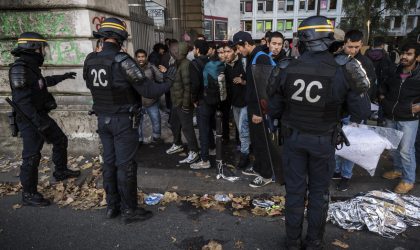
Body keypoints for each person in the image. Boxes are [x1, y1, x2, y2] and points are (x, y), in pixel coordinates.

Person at [269, 16, 370, 249]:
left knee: (294, 192)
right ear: (327, 38)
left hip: (293, 139)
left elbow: (273, 109)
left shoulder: (285, 67)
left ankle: (292, 242)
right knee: (319, 194)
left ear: (303, 39)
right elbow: (361, 111)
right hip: (323, 141)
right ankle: (314, 242)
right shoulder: (345, 67)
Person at [83, 17, 173, 224]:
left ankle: (112, 206)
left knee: (109, 164)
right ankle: (129, 210)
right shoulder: (122, 60)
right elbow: (148, 90)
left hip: (103, 120)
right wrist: (169, 81)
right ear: (120, 37)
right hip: (123, 121)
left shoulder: (90, 60)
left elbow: (91, 85)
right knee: (126, 166)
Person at [9, 32, 80, 207]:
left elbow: (42, 82)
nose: (44, 52)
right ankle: (29, 194)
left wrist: (63, 76)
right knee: (32, 156)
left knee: (60, 140)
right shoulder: (20, 68)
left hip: (39, 116)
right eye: (42, 48)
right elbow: (23, 103)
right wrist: (39, 124)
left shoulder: (31, 67)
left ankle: (61, 171)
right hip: (29, 120)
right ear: (34, 48)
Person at [333, 30, 376, 191]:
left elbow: (367, 91)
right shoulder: (338, 60)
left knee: (351, 148)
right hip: (339, 111)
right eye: (350, 46)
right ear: (344, 43)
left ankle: (345, 176)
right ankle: (337, 171)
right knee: (336, 144)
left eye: (357, 47)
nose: (353, 50)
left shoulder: (365, 63)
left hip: (355, 113)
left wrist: (359, 116)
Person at [233, 31, 275, 188]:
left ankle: (266, 175)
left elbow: (264, 89)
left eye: (239, 47)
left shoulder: (261, 58)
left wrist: (259, 112)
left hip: (259, 110)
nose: (238, 51)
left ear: (246, 44)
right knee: (257, 142)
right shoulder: (253, 57)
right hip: (254, 107)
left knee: (261, 141)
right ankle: (259, 167)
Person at [381, 43, 420, 194]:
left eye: (409, 54)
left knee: (406, 150)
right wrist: (382, 98)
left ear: (417, 57)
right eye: (403, 53)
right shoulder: (394, 70)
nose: (404, 56)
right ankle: (398, 170)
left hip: (409, 119)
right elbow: (383, 86)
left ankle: (408, 180)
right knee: (393, 147)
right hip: (391, 115)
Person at [166, 42, 200, 164]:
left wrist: (186, 105)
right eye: (172, 50)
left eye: (175, 50)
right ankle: (178, 143)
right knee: (174, 124)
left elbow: (188, 87)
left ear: (181, 51)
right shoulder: (176, 63)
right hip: (176, 102)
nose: (173, 52)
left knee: (187, 128)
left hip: (183, 104)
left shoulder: (185, 64)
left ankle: (194, 151)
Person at [224, 42, 250, 169]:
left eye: (228, 51)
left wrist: (243, 81)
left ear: (235, 51)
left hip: (246, 103)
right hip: (235, 104)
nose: (225, 54)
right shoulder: (226, 66)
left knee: (243, 131)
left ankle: (245, 157)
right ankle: (246, 149)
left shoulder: (243, 63)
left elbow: (252, 82)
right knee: (240, 130)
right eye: (224, 52)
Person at [135, 49, 163, 144]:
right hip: (137, 101)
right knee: (137, 123)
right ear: (136, 58)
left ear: (146, 57)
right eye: (138, 57)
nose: (141, 59)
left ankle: (156, 138)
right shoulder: (132, 68)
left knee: (156, 120)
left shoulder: (152, 68)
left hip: (151, 101)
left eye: (142, 56)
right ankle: (139, 140)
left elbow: (161, 79)